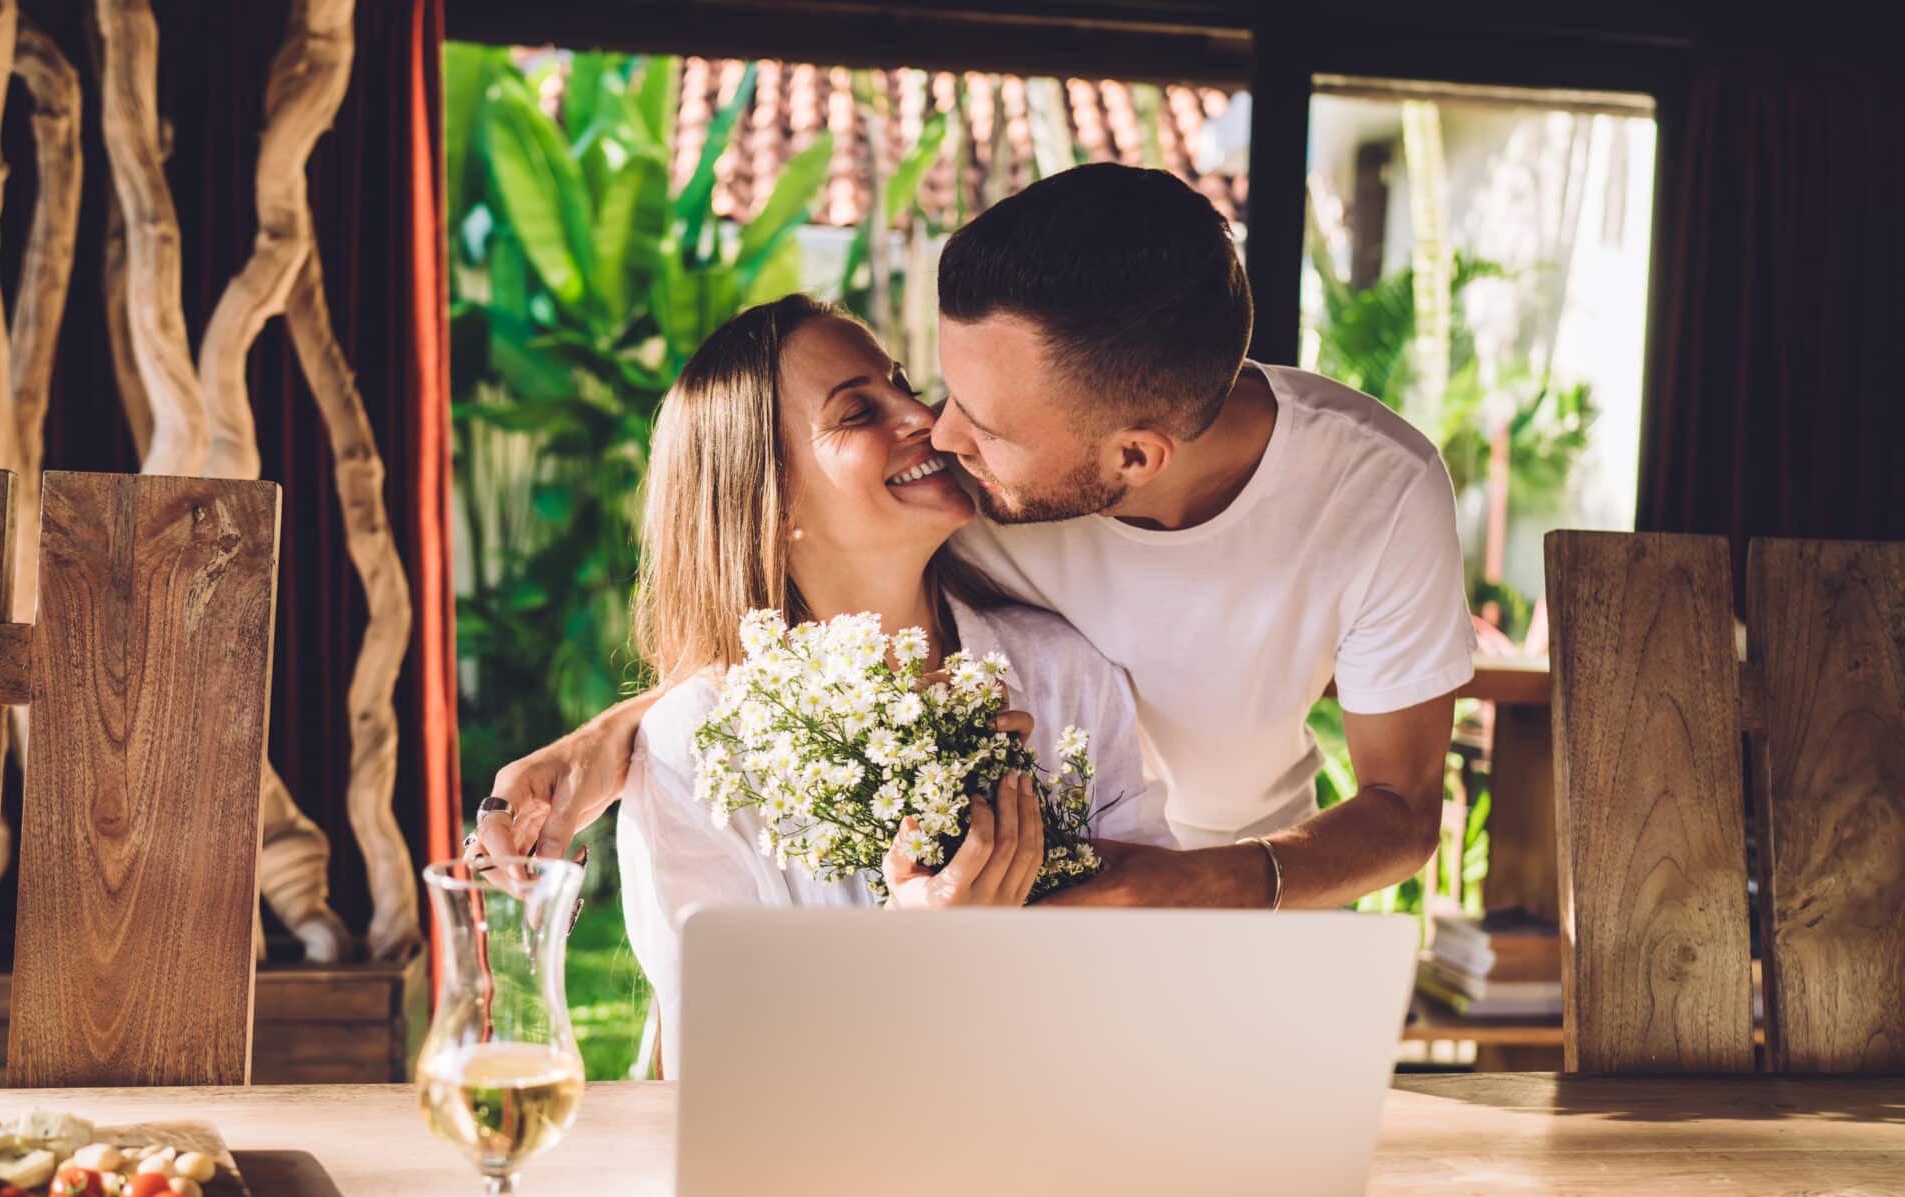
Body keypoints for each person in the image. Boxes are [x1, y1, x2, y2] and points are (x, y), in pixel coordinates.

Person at [477, 161, 1474, 921]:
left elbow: (1397, 805)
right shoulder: (962, 488)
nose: (939, 433)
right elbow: (808, 589)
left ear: (1131, 456)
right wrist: (623, 735)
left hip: (1236, 904)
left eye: (986, 426)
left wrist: (1170, 885)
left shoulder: (1375, 492)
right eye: (934, 384)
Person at [608, 294, 1173, 1075]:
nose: (926, 418)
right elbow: (714, 1069)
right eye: (856, 412)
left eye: (904, 383)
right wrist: (906, 960)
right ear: (770, 505)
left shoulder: (1063, 674)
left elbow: (1162, 963)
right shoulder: (693, 748)